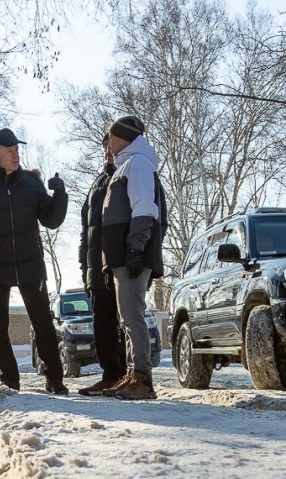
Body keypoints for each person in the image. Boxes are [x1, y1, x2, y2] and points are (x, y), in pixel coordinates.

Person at [0, 127, 69, 394]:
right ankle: (10, 378)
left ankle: (54, 378)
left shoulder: (31, 183)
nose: (15, 155)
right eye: (9, 151)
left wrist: (60, 195)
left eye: (17, 150)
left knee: (43, 322)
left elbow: (51, 221)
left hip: (30, 265)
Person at [101, 115, 167, 401]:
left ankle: (142, 378)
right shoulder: (125, 164)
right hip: (122, 255)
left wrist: (134, 250)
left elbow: (144, 209)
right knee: (126, 317)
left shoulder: (137, 163)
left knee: (133, 316)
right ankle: (132, 373)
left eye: (111, 136)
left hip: (132, 255)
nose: (108, 142)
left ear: (125, 138)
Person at [76, 134, 126, 396]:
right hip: (96, 267)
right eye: (105, 146)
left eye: (113, 146)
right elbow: (86, 230)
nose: (108, 151)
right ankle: (110, 376)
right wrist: (84, 266)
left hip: (122, 264)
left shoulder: (132, 175)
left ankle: (129, 376)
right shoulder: (97, 183)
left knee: (127, 322)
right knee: (102, 325)